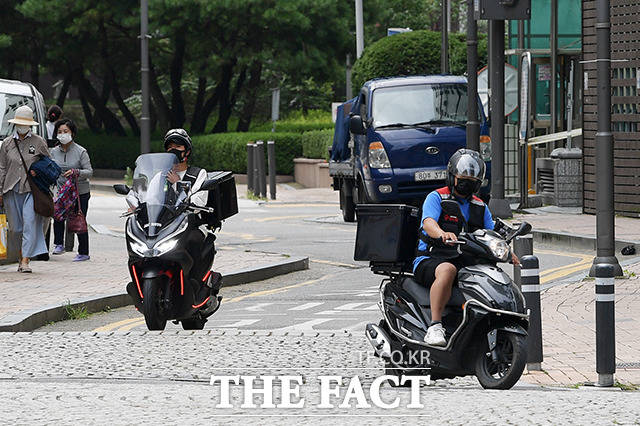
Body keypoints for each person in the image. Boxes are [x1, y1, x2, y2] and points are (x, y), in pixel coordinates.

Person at [413, 149, 517, 346]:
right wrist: (442, 233)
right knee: (448, 270)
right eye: (462, 178)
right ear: (452, 177)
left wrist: (507, 251)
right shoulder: (437, 198)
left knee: (489, 273)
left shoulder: (480, 205)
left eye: (472, 180)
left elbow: (491, 233)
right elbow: (428, 223)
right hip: (432, 258)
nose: (466, 183)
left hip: (464, 259)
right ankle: (434, 326)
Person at [0, 105, 50, 272]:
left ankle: (25, 261)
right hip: (10, 189)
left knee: (29, 223)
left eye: (25, 123)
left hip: (31, 190)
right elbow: (2, 168)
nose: (22, 126)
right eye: (19, 123)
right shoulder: (7, 143)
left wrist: (40, 173)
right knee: (16, 228)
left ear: (30, 125)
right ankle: (22, 254)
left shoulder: (38, 142)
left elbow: (48, 164)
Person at [50, 119, 93, 261]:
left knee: (78, 219)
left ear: (72, 133)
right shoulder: (54, 152)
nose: (62, 134)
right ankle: (58, 244)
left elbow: (89, 172)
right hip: (62, 191)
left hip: (79, 192)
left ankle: (83, 252)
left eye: (65, 131)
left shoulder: (81, 151)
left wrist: (76, 172)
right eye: (60, 132)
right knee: (57, 215)